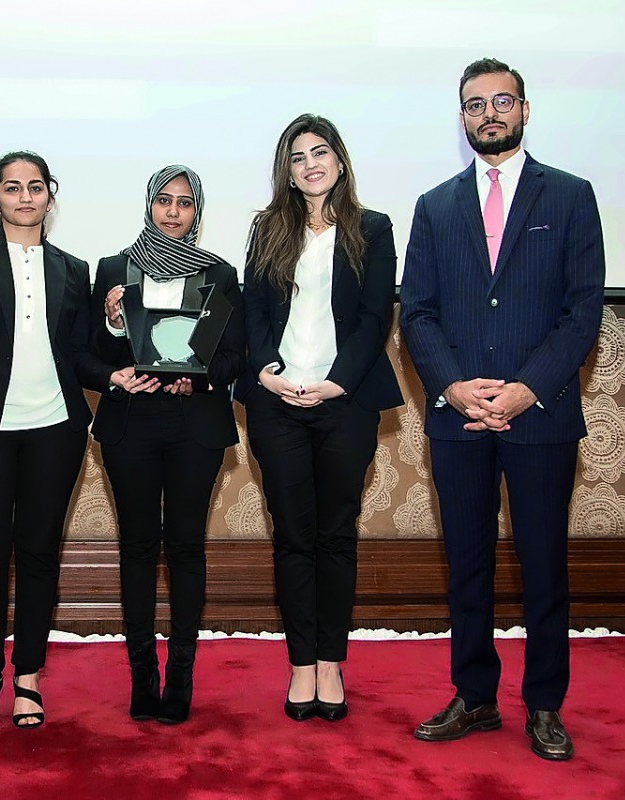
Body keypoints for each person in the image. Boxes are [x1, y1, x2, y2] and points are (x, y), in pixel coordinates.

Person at [399, 57, 605, 761]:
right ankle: (475, 697)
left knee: (544, 566)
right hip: (458, 416)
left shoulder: (571, 196)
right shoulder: (434, 206)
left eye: (501, 101)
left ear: (524, 109)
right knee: (468, 564)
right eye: (475, 104)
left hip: (539, 414)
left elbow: (582, 313)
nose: (489, 113)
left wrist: (526, 388)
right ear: (461, 118)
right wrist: (455, 388)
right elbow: (417, 313)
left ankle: (544, 704)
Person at [0, 151, 108, 731]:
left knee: (38, 553)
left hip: (56, 431)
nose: (24, 197)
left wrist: (115, 347)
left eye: (35, 187)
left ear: (49, 195)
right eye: (12, 188)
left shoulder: (72, 268)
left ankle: (27, 676)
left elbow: (79, 354)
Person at [236, 115, 402, 723]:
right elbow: (253, 308)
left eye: (320, 152)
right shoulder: (267, 229)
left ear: (339, 159)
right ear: (287, 169)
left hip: (345, 400)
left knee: (336, 533)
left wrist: (339, 381)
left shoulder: (372, 228)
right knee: (292, 535)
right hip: (276, 401)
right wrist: (266, 371)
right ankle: (300, 663)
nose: (310, 164)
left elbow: (373, 315)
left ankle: (331, 661)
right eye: (298, 156)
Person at [92, 165, 245, 724]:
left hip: (194, 426)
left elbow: (235, 355)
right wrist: (112, 326)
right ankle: (142, 676)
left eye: (185, 203)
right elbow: (89, 353)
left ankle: (180, 675)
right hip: (130, 422)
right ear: (149, 205)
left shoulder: (220, 274)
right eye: (164, 200)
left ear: (196, 212)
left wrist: (199, 376)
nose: (173, 211)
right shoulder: (113, 269)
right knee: (135, 547)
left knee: (185, 548)